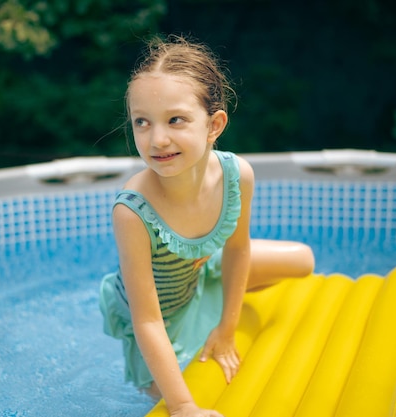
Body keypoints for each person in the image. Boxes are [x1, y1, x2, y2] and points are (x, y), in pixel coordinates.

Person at [99, 34, 315, 417]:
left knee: (303, 261)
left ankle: (208, 287)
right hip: (160, 313)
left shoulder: (236, 175)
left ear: (214, 125)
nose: (157, 139)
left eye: (175, 120)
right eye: (142, 122)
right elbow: (146, 319)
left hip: (200, 272)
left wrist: (227, 330)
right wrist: (183, 407)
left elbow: (238, 249)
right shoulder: (132, 210)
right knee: (160, 396)